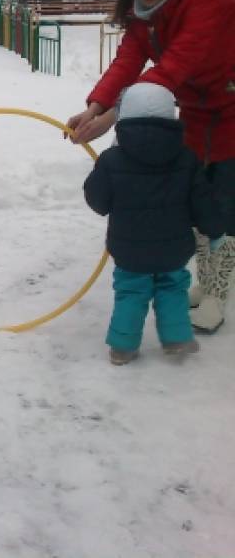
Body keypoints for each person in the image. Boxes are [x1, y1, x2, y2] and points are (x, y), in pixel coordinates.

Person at [66, 0, 235, 333]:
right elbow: (128, 62)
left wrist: (113, 116)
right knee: (194, 202)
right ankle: (204, 282)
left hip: (231, 111)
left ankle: (216, 296)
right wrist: (94, 106)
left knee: (224, 208)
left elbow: (173, 69)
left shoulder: (206, 2)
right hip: (196, 115)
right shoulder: (147, 15)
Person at [83, 83, 222, 365]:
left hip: (129, 249)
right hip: (174, 249)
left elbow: (98, 201)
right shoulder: (186, 158)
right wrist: (215, 229)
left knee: (131, 292)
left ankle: (122, 347)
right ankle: (177, 339)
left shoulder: (111, 160)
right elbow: (202, 202)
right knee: (172, 289)